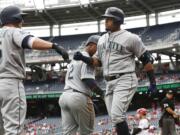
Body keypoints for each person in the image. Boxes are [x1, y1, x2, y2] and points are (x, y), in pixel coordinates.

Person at [73, 7, 156, 135]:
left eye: (108, 19)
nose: (105, 21)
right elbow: (98, 62)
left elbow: (146, 59)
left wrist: (153, 82)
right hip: (109, 83)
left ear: (117, 20)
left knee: (117, 116)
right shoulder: (101, 39)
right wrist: (84, 58)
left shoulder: (131, 38)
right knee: (115, 119)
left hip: (125, 79)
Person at [0, 6, 69, 135]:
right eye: (21, 17)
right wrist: (54, 45)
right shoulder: (13, 31)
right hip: (10, 84)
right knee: (13, 130)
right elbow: (30, 41)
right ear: (15, 18)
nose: (23, 21)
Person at [59, 35, 104, 135]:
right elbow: (88, 80)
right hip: (79, 97)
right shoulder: (87, 58)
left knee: (68, 133)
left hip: (64, 97)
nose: (99, 51)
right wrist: (103, 94)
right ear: (92, 45)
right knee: (87, 133)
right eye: (99, 47)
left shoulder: (74, 60)